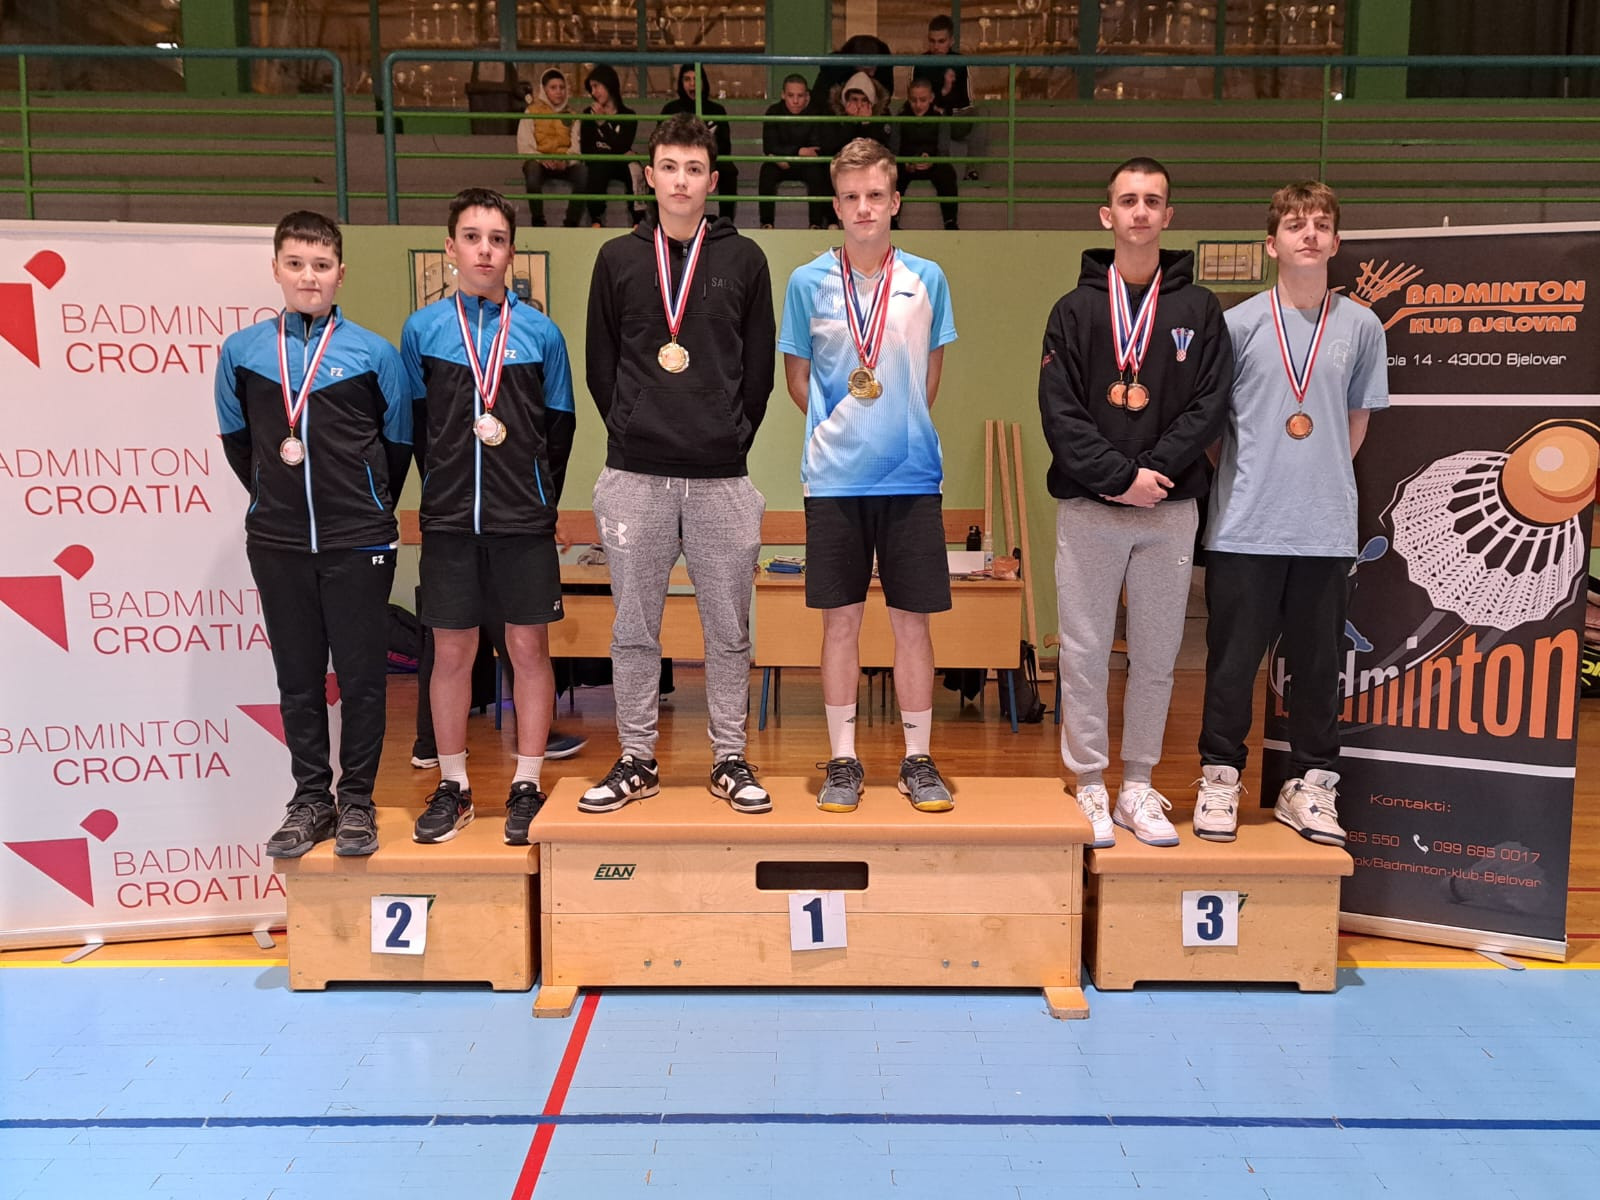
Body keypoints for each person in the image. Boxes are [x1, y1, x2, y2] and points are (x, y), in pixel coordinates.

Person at [582, 114, 775, 815]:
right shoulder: (617, 259)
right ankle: (637, 757)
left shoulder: (745, 260)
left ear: (712, 180)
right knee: (634, 630)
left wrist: (730, 436)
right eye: (669, 167)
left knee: (729, 631)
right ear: (649, 176)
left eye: (694, 169)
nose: (681, 181)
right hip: (635, 476)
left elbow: (759, 372)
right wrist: (632, 428)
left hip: (722, 478)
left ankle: (729, 758)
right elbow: (601, 365)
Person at [1038, 156, 1231, 848]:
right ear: (1107, 215)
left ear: (1168, 215)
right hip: (1091, 508)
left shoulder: (1199, 309)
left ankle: (1138, 786)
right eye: (1128, 200)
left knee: (1156, 654)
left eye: (1152, 200)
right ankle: (1090, 782)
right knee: (1085, 652)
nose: (1140, 211)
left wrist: (1152, 473)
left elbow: (1210, 406)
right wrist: (1119, 478)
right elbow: (1059, 412)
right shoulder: (1074, 310)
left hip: (1169, 510)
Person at [1194, 180, 1387, 847]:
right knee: (1230, 666)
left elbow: (1355, 422)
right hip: (1244, 526)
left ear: (1336, 241)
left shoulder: (1362, 326)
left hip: (1325, 528)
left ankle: (1310, 786)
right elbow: (1214, 433)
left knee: (1319, 670)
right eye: (1296, 224)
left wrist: (1314, 474)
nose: (1309, 234)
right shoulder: (1238, 324)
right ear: (1271, 243)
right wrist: (1261, 475)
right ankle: (1220, 779)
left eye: (1321, 225)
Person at [215, 211, 411, 859]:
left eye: (321, 265)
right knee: (298, 678)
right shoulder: (242, 353)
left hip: (360, 539)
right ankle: (310, 800)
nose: (309, 277)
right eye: (296, 264)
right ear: (275, 269)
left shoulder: (374, 354)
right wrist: (276, 497)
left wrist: (366, 504)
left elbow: (397, 446)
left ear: (340, 274)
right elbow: (240, 444)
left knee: (362, 679)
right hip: (279, 541)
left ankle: (356, 802)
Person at [779, 137, 960, 815]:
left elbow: (930, 377)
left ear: (896, 202)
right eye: (851, 197)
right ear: (836, 205)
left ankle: (917, 758)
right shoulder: (805, 282)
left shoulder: (927, 278)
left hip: (911, 477)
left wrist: (893, 426)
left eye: (876, 195)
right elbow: (797, 380)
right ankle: (843, 759)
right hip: (833, 480)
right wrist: (845, 432)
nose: (864, 208)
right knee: (841, 625)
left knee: (913, 624)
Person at [400, 187, 577, 847]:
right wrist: (445, 489)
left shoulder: (541, 334)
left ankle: (527, 783)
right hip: (450, 522)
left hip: (522, 523)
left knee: (528, 650)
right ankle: (453, 786)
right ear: (451, 248)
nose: (484, 250)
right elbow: (415, 427)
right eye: (472, 238)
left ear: (511, 251)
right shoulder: (422, 331)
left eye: (497, 239)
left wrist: (538, 500)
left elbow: (559, 429)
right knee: (452, 652)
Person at [660, 64, 739, 223]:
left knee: (729, 170)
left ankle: (726, 222)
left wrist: (704, 156)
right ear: (681, 83)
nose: (692, 84)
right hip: (678, 161)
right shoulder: (670, 109)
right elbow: (660, 143)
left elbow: (725, 146)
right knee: (660, 169)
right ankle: (659, 221)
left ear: (704, 82)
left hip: (710, 160)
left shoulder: (717, 110)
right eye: (687, 79)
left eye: (696, 79)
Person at [912, 14, 986, 181]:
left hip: (954, 118)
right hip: (928, 120)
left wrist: (945, 99)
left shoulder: (959, 63)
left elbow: (967, 102)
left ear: (951, 41)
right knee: (938, 116)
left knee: (981, 114)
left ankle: (972, 171)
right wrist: (942, 96)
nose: (936, 46)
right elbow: (914, 99)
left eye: (941, 41)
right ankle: (941, 169)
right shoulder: (920, 63)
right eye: (932, 41)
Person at [518, 67, 588, 229]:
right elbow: (525, 145)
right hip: (539, 162)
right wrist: (541, 159)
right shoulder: (531, 112)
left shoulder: (572, 115)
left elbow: (576, 148)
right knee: (532, 172)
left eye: (562, 87)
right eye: (553, 88)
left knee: (583, 173)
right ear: (544, 90)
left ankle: (571, 223)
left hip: (563, 163)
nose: (559, 92)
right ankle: (538, 221)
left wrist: (566, 161)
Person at [759, 73, 830, 230]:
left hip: (804, 164)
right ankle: (766, 223)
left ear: (807, 96)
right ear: (783, 95)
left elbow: (815, 149)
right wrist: (798, 151)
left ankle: (816, 224)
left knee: (817, 172)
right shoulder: (773, 112)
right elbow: (769, 146)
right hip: (780, 164)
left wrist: (785, 156)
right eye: (791, 95)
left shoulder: (815, 113)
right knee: (767, 171)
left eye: (800, 96)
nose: (795, 101)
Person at [577, 63, 643, 229]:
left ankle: (638, 220)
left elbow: (624, 145)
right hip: (601, 163)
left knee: (634, 166)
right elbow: (587, 149)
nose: (594, 93)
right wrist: (615, 149)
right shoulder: (588, 114)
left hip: (620, 164)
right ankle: (596, 219)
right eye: (591, 88)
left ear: (609, 84)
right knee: (598, 163)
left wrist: (604, 125)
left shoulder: (628, 115)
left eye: (596, 86)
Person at [891, 78, 959, 231]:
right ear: (908, 99)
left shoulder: (940, 118)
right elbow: (894, 150)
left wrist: (932, 161)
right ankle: (892, 220)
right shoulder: (900, 118)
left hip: (933, 164)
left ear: (931, 98)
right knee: (893, 174)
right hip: (906, 164)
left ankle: (950, 221)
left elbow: (943, 150)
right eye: (913, 100)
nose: (918, 105)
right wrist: (906, 163)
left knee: (947, 172)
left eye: (923, 100)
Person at [827, 71, 892, 155]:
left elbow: (880, 150)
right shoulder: (832, 114)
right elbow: (834, 149)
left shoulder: (883, 115)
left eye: (864, 100)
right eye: (854, 99)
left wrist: (866, 123)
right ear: (846, 100)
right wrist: (849, 121)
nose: (859, 105)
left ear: (871, 101)